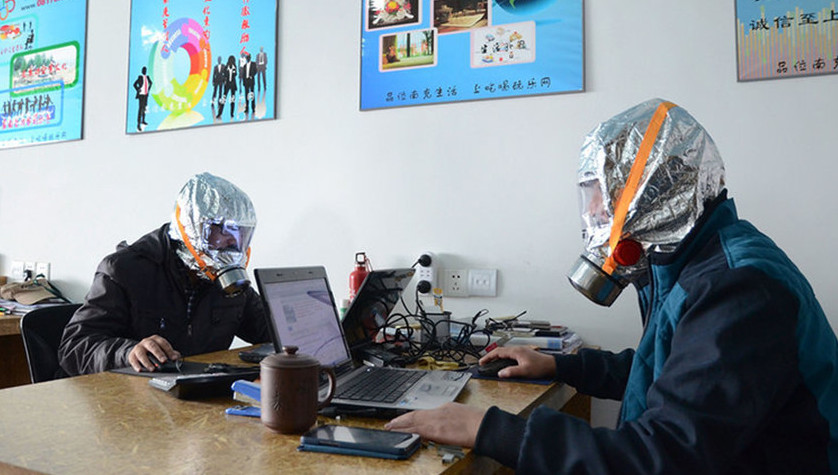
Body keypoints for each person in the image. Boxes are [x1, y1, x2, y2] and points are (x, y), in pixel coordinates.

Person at [385, 98, 838, 473]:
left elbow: (664, 457)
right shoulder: (694, 260)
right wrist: (562, 367)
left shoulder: (737, 288)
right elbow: (673, 372)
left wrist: (488, 429)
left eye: (604, 209)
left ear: (656, 197)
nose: (597, 225)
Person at [58, 173, 270, 375]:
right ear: (191, 227)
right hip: (129, 398)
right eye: (223, 231)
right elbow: (74, 347)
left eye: (241, 233)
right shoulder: (124, 270)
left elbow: (269, 331)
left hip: (196, 395)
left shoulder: (226, 284)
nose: (233, 243)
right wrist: (127, 353)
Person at [216, 55, 237, 120]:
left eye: (232, 61)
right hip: (227, 85)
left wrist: (233, 70)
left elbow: (235, 74)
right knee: (223, 99)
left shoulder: (235, 67)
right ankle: (220, 113)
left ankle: (232, 113)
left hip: (233, 85)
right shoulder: (226, 67)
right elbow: (224, 74)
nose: (231, 62)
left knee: (232, 99)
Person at [132, 66, 152, 132]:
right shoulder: (140, 77)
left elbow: (151, 83)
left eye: (145, 70)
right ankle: (138, 124)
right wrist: (138, 89)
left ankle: (143, 120)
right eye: (143, 70)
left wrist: (148, 90)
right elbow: (134, 84)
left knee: (144, 108)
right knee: (140, 109)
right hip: (141, 95)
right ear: (142, 71)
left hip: (146, 95)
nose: (144, 71)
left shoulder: (147, 77)